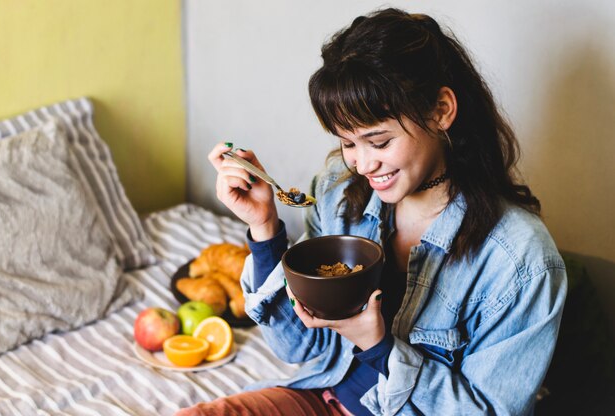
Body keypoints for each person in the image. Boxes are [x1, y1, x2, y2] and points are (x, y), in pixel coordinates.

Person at [177, 7, 567, 416]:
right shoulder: (340, 192)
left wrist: (380, 348)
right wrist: (264, 227)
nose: (362, 165)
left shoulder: (521, 260)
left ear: (441, 111)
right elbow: (300, 346)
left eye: (378, 142)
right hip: (320, 395)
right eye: (348, 143)